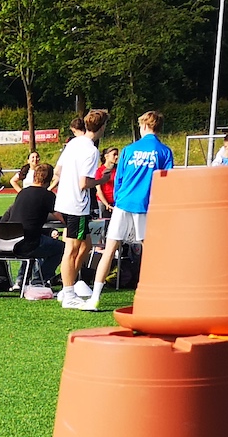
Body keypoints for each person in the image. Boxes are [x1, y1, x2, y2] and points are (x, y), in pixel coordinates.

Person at [73, 112, 173, 311]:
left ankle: (94, 298)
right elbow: (166, 181)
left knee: (109, 250)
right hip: (145, 205)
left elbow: (119, 180)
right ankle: (155, 296)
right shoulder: (164, 151)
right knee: (150, 252)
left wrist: (119, 199)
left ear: (144, 126)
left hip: (123, 203)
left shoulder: (128, 150)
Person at [52, 109, 107, 298]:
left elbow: (58, 171)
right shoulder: (91, 150)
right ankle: (67, 293)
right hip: (77, 204)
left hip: (64, 201)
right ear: (102, 127)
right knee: (72, 249)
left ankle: (69, 285)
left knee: (86, 245)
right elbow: (84, 183)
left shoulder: (73, 143)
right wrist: (101, 180)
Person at [2, 160, 64, 286]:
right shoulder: (47, 195)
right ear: (49, 179)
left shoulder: (22, 193)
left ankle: (22, 279)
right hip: (27, 244)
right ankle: (39, 280)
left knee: (38, 240)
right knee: (62, 248)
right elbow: (61, 217)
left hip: (7, 242)